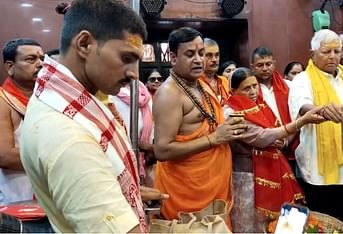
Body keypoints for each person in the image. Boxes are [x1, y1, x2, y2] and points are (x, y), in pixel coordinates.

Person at [19, 0, 165, 232]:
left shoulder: (65, 100)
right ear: (84, 44)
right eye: (126, 58)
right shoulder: (67, 136)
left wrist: (126, 190)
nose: (134, 74)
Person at [153, 27, 246, 226]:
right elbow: (161, 149)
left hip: (213, 187)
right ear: (173, 57)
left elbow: (210, 123)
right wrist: (214, 139)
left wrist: (228, 127)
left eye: (201, 53)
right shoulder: (169, 94)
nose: (198, 59)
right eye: (190, 54)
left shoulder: (200, 84)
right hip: (187, 192)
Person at [289, 29, 343, 226]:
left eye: (336, 51)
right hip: (322, 172)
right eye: (326, 52)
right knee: (324, 225)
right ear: (312, 54)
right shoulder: (303, 80)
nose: (333, 56)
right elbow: (302, 107)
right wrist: (321, 109)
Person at [224, 67, 325, 233]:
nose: (252, 92)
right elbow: (262, 137)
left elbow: (277, 129)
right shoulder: (230, 112)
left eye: (254, 86)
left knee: (275, 222)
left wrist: (282, 141)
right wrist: (300, 122)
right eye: (246, 88)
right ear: (233, 91)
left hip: (273, 169)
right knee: (251, 224)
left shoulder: (261, 105)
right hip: (247, 178)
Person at [0, 38, 43, 204]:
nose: (40, 64)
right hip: (15, 203)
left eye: (42, 59)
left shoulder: (45, 100)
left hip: (48, 201)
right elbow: (4, 156)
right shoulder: (3, 101)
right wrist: (56, 156)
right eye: (31, 59)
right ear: (10, 67)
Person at [250, 46, 299, 173]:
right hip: (262, 150)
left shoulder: (289, 86)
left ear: (274, 64)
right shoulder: (249, 90)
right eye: (260, 65)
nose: (265, 68)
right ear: (252, 67)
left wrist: (287, 141)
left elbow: (298, 117)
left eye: (268, 64)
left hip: (290, 144)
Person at [200, 38, 230, 105]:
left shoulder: (224, 81)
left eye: (217, 55)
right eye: (209, 55)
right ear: (200, 57)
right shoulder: (195, 84)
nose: (214, 59)